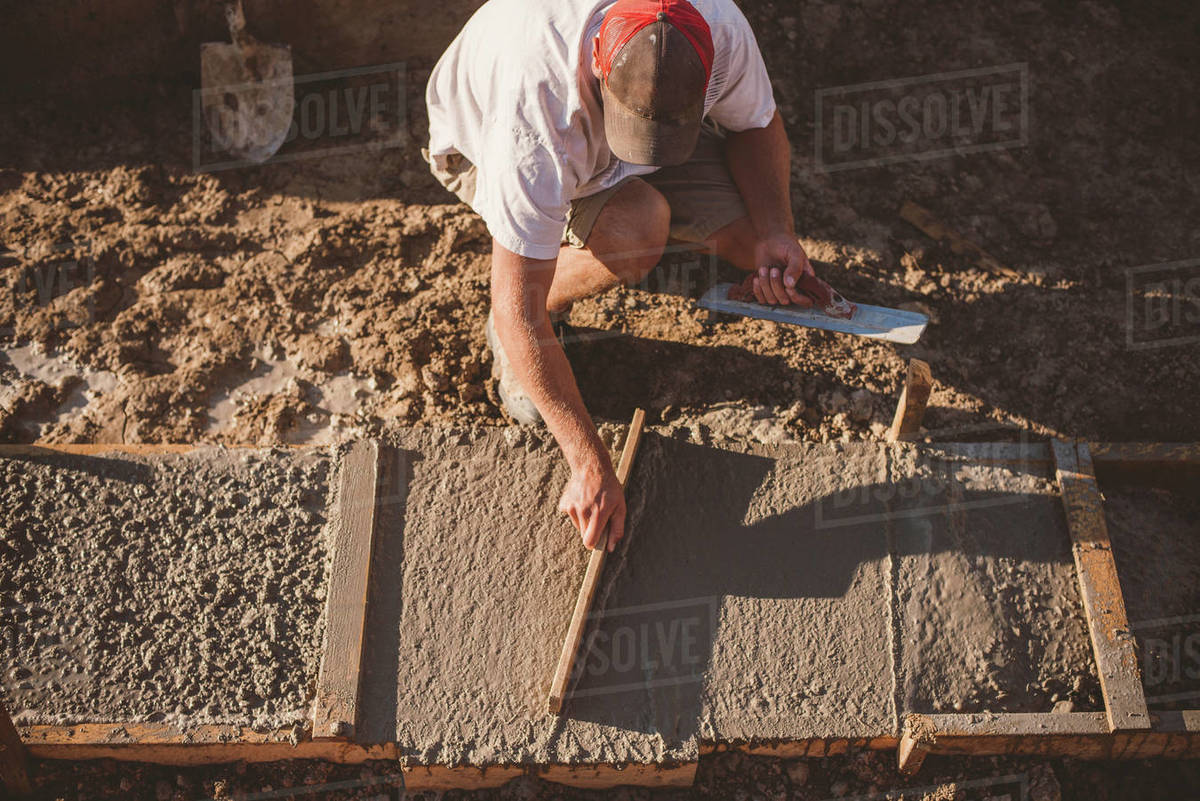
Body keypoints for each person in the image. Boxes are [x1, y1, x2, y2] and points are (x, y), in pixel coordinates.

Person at [424, 0, 819, 553]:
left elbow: (756, 124)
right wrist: (587, 461)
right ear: (597, 65)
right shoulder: (534, 119)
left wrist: (779, 230)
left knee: (751, 246)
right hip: (479, 144)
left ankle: (653, 193)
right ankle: (596, 249)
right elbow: (521, 313)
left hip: (626, 129)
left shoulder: (719, 26)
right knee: (639, 233)